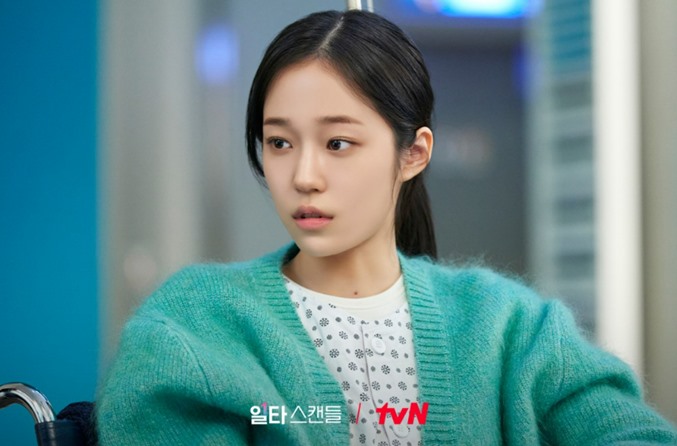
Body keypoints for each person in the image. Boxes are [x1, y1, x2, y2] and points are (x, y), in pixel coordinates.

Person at [96, 9, 677, 446]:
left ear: (413, 154)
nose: (303, 177)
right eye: (279, 142)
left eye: (338, 143)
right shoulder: (193, 329)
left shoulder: (511, 329)